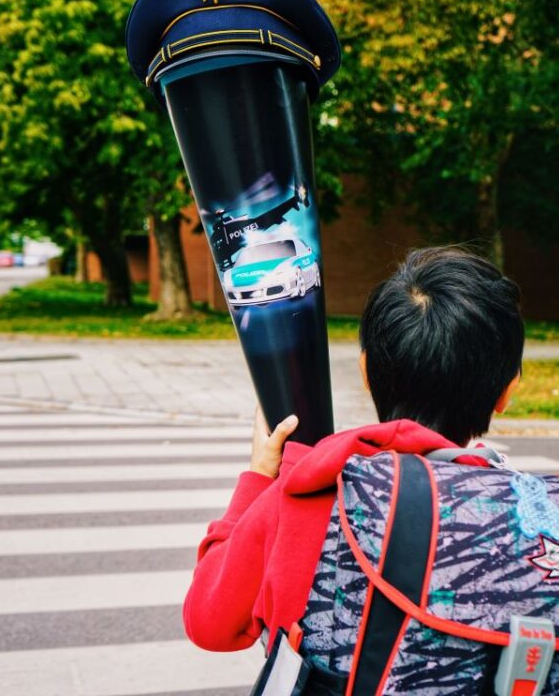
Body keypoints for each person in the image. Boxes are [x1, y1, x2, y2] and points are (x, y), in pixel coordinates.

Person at [182, 246, 524, 651]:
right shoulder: (525, 516)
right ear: (507, 390)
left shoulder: (310, 492)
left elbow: (209, 621)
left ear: (365, 371)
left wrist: (260, 477)